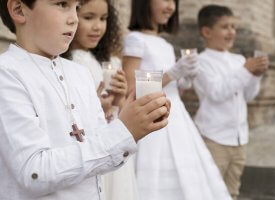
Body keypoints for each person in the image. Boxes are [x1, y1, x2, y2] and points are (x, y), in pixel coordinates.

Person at [0, 0, 170, 199]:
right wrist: (124, 131)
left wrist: (132, 122)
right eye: (62, 4)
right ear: (19, 10)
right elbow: (34, 172)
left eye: (77, 8)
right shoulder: (7, 73)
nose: (74, 19)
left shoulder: (79, 73)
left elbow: (101, 158)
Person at [122, 0, 231, 200]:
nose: (171, 7)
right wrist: (173, 73)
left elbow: (171, 89)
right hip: (152, 122)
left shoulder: (165, 44)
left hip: (177, 117)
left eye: (174, 1)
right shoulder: (135, 40)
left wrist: (185, 79)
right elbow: (132, 91)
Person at [193, 5, 269, 200]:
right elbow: (217, 92)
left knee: (232, 192)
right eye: (225, 27)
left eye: (233, 27)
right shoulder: (200, 62)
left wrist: (255, 76)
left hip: (239, 138)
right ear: (207, 31)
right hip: (214, 138)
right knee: (210, 190)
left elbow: (248, 96)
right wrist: (246, 70)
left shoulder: (238, 60)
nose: (232, 32)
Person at [64, 0, 138, 199]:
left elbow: (118, 111)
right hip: (91, 151)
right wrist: (95, 104)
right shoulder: (67, 63)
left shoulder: (111, 62)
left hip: (114, 146)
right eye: (88, 18)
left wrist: (119, 98)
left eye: (104, 19)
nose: (98, 26)